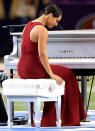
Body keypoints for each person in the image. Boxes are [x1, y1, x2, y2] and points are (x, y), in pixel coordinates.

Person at [17, 4, 87, 126]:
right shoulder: (42, 30)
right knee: (68, 73)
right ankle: (64, 118)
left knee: (62, 72)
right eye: (56, 20)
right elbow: (42, 55)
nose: (56, 24)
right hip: (33, 69)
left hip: (22, 68)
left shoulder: (28, 25)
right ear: (50, 15)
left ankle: (52, 117)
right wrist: (52, 75)